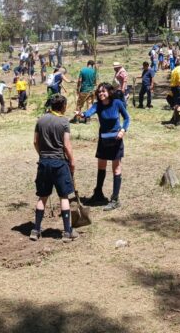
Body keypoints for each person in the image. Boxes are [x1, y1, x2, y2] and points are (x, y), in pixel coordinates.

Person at [30, 94, 79, 243]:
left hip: (44, 162)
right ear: (63, 106)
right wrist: (72, 161)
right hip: (59, 163)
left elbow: (35, 142)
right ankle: (67, 232)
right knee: (63, 197)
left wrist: (42, 155)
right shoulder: (64, 122)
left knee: (42, 197)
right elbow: (66, 145)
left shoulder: (41, 119)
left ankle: (36, 230)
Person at [79, 83, 130, 211]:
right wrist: (82, 115)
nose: (101, 94)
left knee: (116, 168)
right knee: (101, 166)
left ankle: (115, 199)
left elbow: (127, 118)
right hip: (103, 139)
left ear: (109, 92)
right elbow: (88, 113)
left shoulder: (117, 103)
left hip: (116, 139)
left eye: (103, 91)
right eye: (99, 92)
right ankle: (98, 194)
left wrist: (123, 130)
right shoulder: (98, 105)